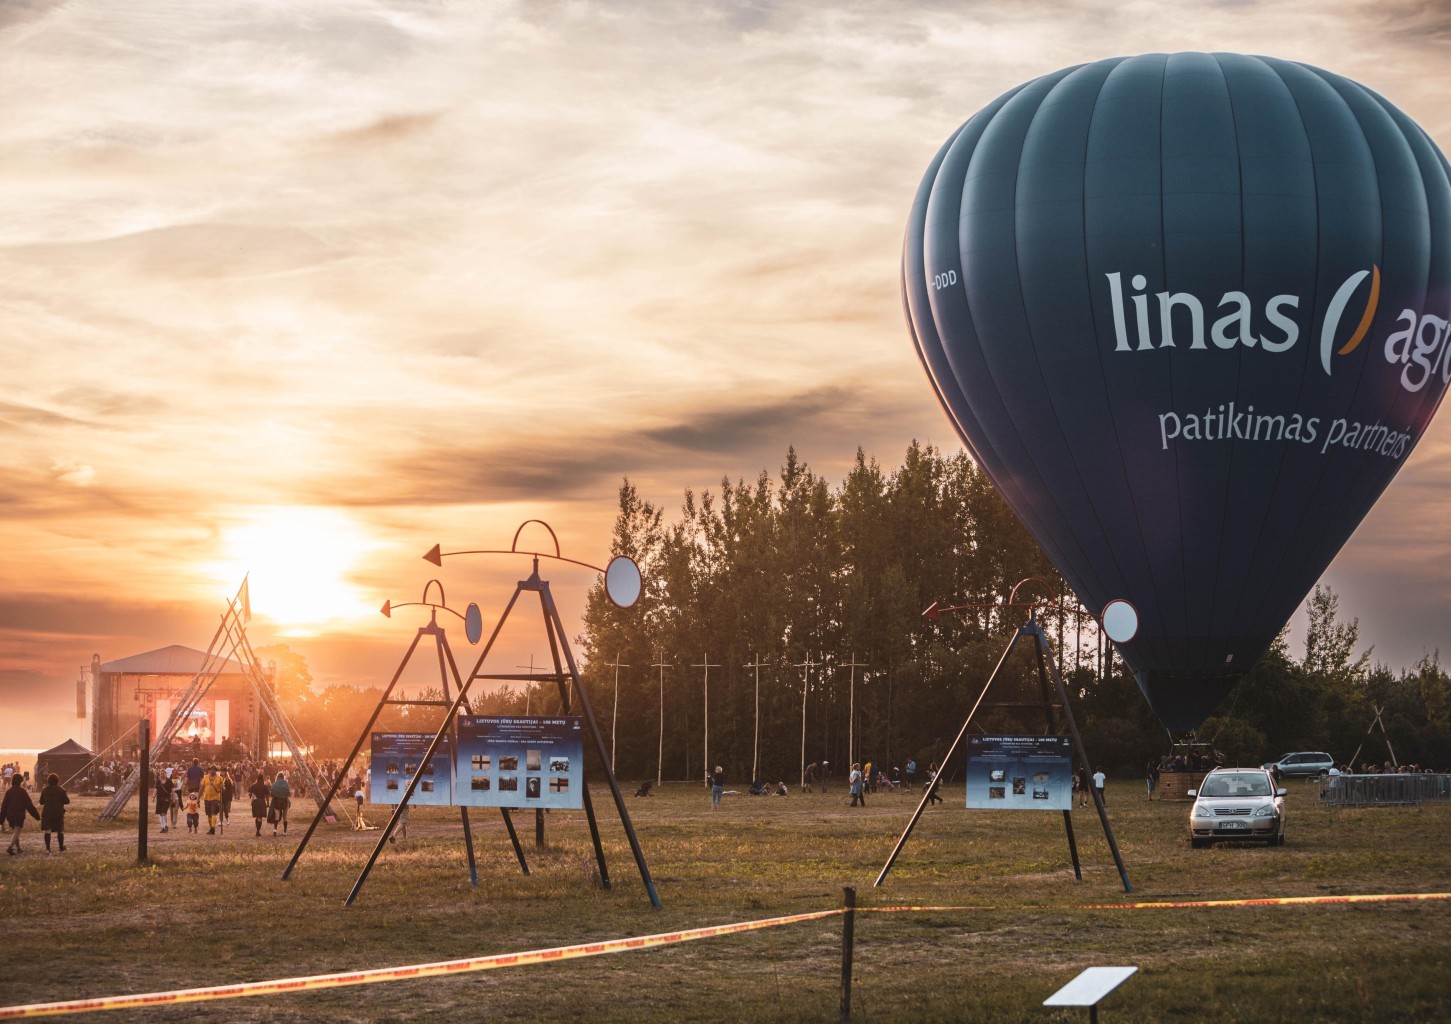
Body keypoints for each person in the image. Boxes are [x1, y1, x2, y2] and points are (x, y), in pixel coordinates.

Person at [4, 774, 41, 854]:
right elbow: (29, 805)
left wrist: (1, 819)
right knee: (17, 832)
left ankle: (18, 848)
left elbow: (4, 806)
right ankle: (10, 847)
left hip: (9, 815)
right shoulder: (22, 792)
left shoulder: (8, 792)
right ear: (20, 782)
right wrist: (37, 816)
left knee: (15, 831)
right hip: (19, 815)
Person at [38, 774, 69, 853]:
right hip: (58, 813)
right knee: (60, 830)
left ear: (48, 781)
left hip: (47, 813)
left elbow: (41, 802)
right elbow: (67, 801)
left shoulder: (45, 790)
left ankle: (48, 849)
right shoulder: (61, 790)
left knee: (47, 830)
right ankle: (61, 848)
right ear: (57, 781)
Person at [200, 766, 224, 835]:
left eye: (214, 770)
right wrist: (198, 798)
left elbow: (222, 787)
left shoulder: (220, 778)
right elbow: (202, 788)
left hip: (215, 798)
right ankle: (211, 828)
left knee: (214, 813)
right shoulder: (205, 777)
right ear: (209, 770)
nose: (212, 771)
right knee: (209, 814)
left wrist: (222, 787)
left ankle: (213, 827)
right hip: (206, 798)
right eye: (211, 770)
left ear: (216, 771)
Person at [270, 770, 291, 836]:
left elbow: (272, 793)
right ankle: (284, 832)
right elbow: (288, 793)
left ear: (277, 777)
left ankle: (275, 830)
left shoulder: (274, 783)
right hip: (285, 801)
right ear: (283, 777)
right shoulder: (286, 783)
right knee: (285, 817)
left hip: (276, 801)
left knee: (276, 817)